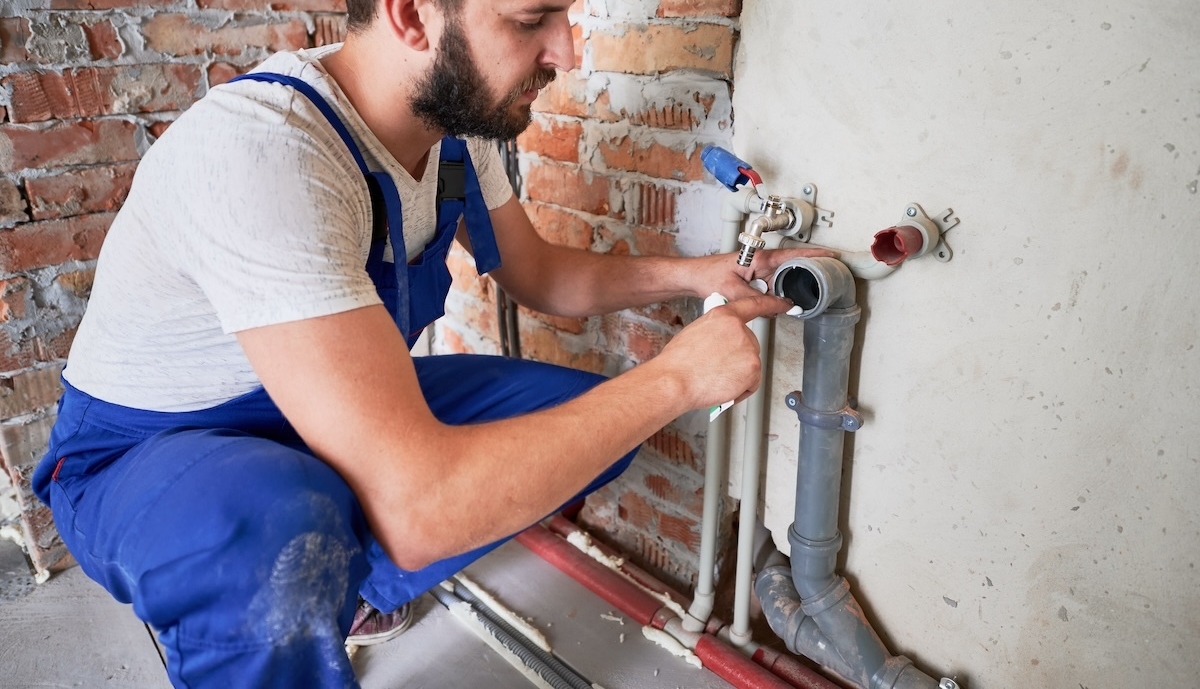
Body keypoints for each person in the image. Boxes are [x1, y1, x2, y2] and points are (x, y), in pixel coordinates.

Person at [31, 0, 826, 685]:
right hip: (148, 449)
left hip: (305, 412)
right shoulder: (268, 152)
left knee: (591, 421)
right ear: (411, 13)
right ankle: (270, 604)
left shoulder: (455, 126)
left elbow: (546, 277)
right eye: (531, 19)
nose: (567, 51)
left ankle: (338, 579)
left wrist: (707, 274)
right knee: (278, 531)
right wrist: (675, 380)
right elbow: (419, 512)